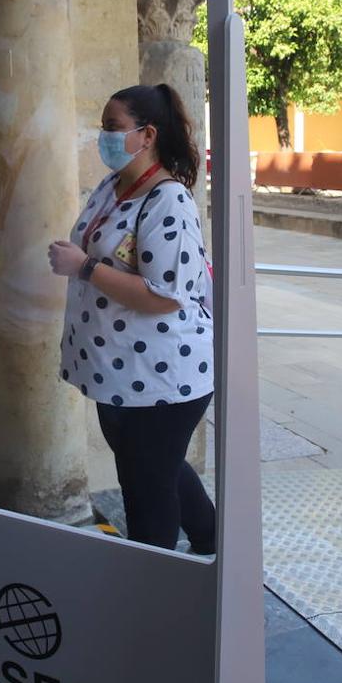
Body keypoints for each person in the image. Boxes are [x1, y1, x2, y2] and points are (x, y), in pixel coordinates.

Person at [47, 83, 216, 553]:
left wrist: (82, 266)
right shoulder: (114, 186)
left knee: (146, 489)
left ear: (147, 135)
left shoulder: (169, 202)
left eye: (112, 128)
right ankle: (211, 537)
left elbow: (165, 297)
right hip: (118, 372)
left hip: (163, 378)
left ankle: (150, 587)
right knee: (158, 466)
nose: (103, 136)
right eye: (103, 126)